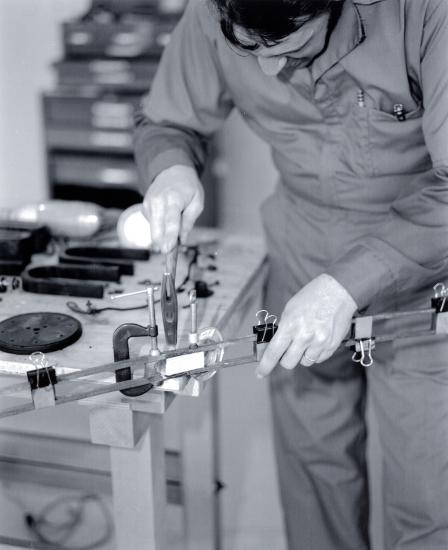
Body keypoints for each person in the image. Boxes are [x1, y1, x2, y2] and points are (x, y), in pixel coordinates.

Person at [133, 0, 448, 548]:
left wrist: (349, 283)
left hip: (423, 256)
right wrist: (172, 167)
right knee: (313, 462)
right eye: (248, 50)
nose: (271, 72)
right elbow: (167, 119)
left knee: (430, 488)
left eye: (287, 47)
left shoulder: (426, 14)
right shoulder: (213, 10)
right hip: (301, 242)